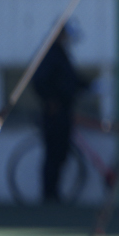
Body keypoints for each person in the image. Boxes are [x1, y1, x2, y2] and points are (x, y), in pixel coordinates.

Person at [31, 22, 90, 204]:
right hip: (54, 115)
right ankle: (49, 195)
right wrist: (51, 101)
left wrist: (89, 86)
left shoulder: (61, 54)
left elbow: (70, 80)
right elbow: (40, 81)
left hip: (63, 112)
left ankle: (53, 193)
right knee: (53, 154)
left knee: (61, 153)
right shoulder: (51, 55)